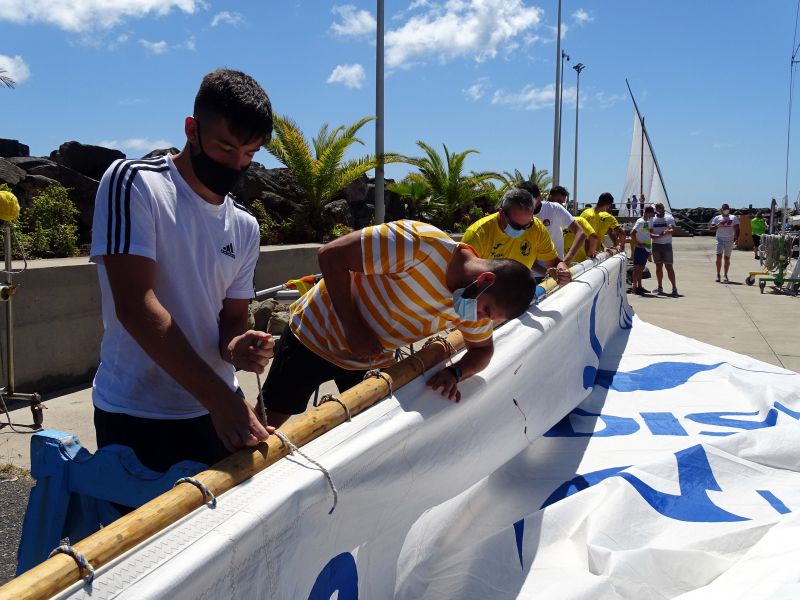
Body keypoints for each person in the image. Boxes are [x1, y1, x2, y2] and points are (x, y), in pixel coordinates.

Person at [89, 69, 274, 472]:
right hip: (138, 413)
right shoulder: (134, 183)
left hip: (214, 412)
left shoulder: (245, 225)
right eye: (225, 148)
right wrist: (222, 401)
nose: (236, 164)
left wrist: (238, 347)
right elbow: (136, 304)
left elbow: (231, 317)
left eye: (250, 154)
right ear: (192, 130)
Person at [260, 220, 538, 427]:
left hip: (366, 363)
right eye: (485, 310)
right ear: (485, 280)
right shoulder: (420, 245)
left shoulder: (471, 302)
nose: (476, 319)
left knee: (359, 434)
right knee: (269, 427)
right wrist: (353, 327)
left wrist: (455, 373)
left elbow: (483, 351)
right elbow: (331, 255)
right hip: (311, 340)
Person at [462, 188, 572, 284]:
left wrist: (562, 271)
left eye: (527, 225)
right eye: (515, 226)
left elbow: (554, 262)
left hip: (518, 295)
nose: (522, 230)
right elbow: (462, 277)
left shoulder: (536, 227)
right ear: (501, 213)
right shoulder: (477, 234)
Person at [518, 182, 586, 272]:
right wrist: (546, 272)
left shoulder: (555, 208)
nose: (528, 205)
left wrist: (566, 261)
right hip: (529, 273)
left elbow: (580, 233)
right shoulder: (518, 215)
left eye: (531, 201)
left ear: (539, 196)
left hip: (557, 271)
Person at [650, 202, 678, 296]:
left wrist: (667, 232)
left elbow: (672, 229)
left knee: (669, 267)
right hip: (656, 245)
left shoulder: (669, 217)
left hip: (666, 245)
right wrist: (656, 236)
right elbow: (648, 231)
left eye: (661, 208)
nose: (659, 210)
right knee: (658, 267)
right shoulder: (652, 218)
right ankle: (660, 287)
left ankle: (674, 288)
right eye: (658, 208)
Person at [710, 203, 740, 282]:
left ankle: (725, 274)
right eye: (724, 208)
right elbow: (711, 228)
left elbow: (737, 229)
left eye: (727, 208)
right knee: (718, 256)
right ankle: (718, 274)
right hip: (720, 239)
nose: (726, 209)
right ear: (721, 209)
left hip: (729, 240)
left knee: (727, 258)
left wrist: (737, 239)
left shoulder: (733, 217)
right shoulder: (717, 218)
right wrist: (719, 225)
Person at [630, 205, 655, 294]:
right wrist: (637, 243)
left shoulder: (646, 221)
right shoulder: (640, 221)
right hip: (640, 248)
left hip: (646, 248)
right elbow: (632, 233)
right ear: (648, 212)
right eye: (652, 213)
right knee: (637, 268)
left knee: (641, 268)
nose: (653, 214)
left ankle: (639, 286)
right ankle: (634, 288)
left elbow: (647, 233)